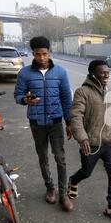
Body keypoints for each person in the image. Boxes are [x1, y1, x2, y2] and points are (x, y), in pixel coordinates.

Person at [14, 36, 74, 212]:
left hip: (55, 122)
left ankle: (63, 194)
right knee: (43, 157)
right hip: (37, 123)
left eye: (45, 54)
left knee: (60, 158)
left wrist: (68, 122)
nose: (42, 58)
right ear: (33, 53)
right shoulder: (24, 73)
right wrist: (25, 100)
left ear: (49, 52)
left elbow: (66, 98)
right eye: (38, 54)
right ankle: (50, 188)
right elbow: (18, 96)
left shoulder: (61, 72)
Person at [67, 60, 111, 223]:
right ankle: (73, 180)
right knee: (86, 172)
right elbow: (76, 116)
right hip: (90, 143)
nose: (106, 75)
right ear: (92, 74)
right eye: (102, 72)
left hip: (109, 142)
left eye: (107, 72)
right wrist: (82, 137)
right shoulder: (82, 92)